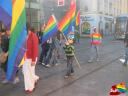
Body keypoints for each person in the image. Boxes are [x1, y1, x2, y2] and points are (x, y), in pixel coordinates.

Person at [22, 27, 39, 93]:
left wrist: (33, 60)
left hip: (31, 58)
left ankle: (30, 87)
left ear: (29, 30)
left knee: (27, 73)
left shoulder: (33, 36)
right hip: (25, 58)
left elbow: (35, 49)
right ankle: (35, 79)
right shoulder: (24, 36)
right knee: (26, 72)